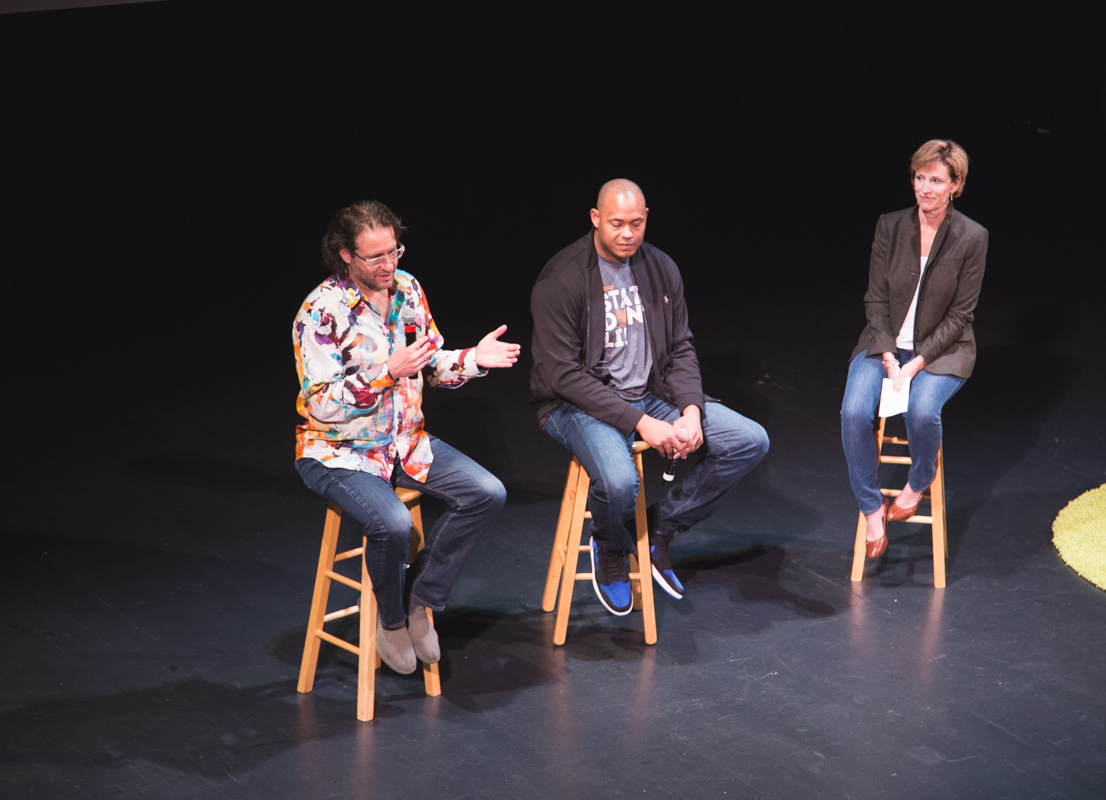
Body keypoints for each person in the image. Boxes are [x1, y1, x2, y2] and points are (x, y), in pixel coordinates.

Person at [293, 200, 520, 675]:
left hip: (405, 441)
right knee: (394, 523)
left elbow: (431, 365)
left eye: (393, 251)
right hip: (339, 452)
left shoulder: (408, 289)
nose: (388, 265)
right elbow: (319, 403)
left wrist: (474, 359)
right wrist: (383, 375)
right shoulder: (321, 311)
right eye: (375, 257)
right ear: (345, 255)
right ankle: (391, 622)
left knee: (487, 493)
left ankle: (420, 601)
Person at [530, 179, 770, 616]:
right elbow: (562, 374)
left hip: (650, 393)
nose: (627, 233)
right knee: (621, 482)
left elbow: (680, 348)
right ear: (595, 219)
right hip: (576, 405)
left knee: (747, 440)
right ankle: (612, 549)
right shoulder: (561, 279)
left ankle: (659, 527)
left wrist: (692, 411)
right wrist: (641, 423)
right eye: (617, 223)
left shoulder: (661, 268)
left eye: (636, 223)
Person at [840, 140, 988, 559]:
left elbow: (961, 316)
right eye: (920, 178)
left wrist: (916, 363)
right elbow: (875, 299)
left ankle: (919, 482)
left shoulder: (972, 237)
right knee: (853, 411)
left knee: (923, 411)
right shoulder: (890, 225)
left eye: (936, 180)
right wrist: (889, 355)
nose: (925, 188)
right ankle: (871, 507)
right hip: (883, 343)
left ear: (955, 185)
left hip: (942, 350)